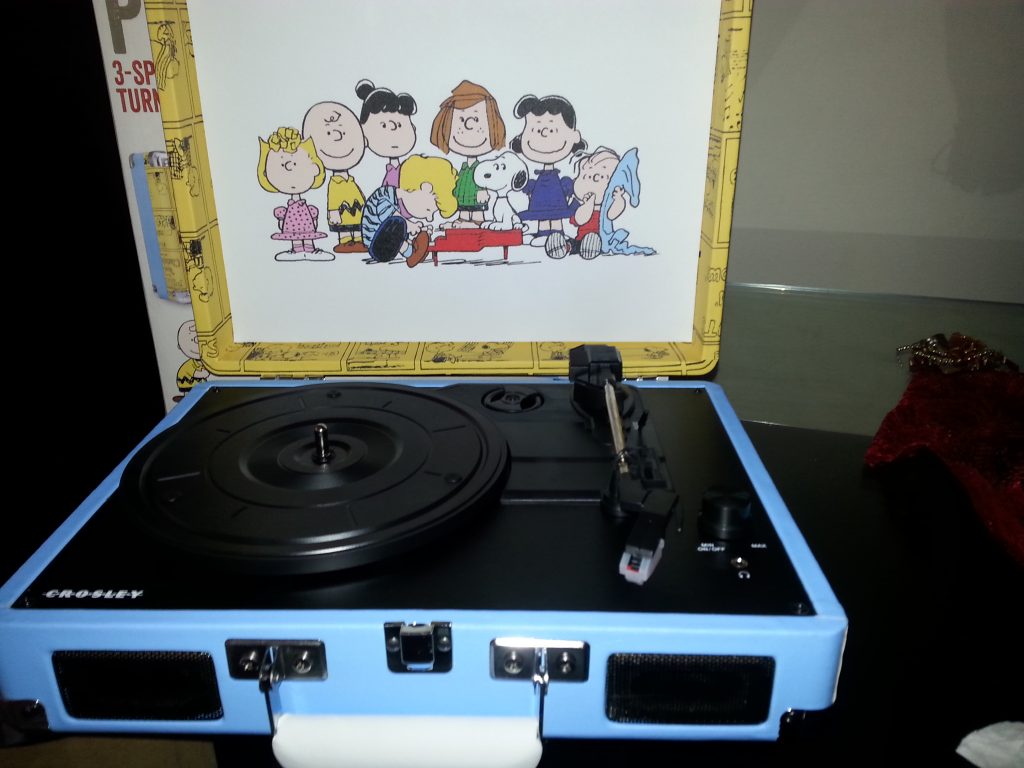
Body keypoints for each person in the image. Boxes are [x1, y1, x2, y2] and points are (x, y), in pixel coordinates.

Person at [509, 94, 587, 245]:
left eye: (553, 130)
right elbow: (528, 187)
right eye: (535, 129)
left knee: (556, 219)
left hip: (557, 200)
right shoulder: (537, 179)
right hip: (539, 201)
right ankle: (543, 235)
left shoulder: (560, 180)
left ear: (574, 136)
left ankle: (558, 235)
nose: (544, 134)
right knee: (543, 219)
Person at [430, 80, 506, 228]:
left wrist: (484, 191)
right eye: (461, 119)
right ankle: (462, 221)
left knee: (477, 215)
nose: (469, 126)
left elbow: (486, 179)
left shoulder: (482, 168)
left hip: (477, 199)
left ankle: (476, 223)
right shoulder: (464, 168)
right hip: (462, 200)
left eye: (476, 119)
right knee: (463, 214)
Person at [361, 155, 457, 268]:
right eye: (428, 210)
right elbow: (387, 214)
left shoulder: (394, 199)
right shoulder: (384, 196)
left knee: (399, 224)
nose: (429, 218)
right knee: (397, 222)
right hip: (377, 247)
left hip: (385, 243)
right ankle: (411, 253)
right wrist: (410, 225)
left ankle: (415, 248)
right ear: (425, 187)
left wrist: (416, 228)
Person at [302, 101, 368, 253]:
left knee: (357, 226)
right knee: (344, 229)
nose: (337, 137)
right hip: (342, 212)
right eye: (329, 133)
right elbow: (333, 199)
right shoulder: (334, 183)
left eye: (343, 132)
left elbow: (358, 194)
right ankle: (345, 241)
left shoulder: (351, 181)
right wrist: (333, 212)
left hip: (357, 210)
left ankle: (359, 240)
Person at [256, 127, 329, 261]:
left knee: (308, 236)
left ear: (315, 168)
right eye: (282, 165)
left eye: (296, 163)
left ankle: (310, 249)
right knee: (294, 237)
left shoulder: (304, 205)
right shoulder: (290, 206)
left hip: (307, 224)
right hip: (291, 224)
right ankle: (297, 249)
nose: (290, 167)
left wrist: (313, 213)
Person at [355, 79, 418, 188]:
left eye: (399, 125)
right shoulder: (391, 173)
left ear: (413, 127)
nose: (394, 132)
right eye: (384, 126)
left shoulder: (408, 169)